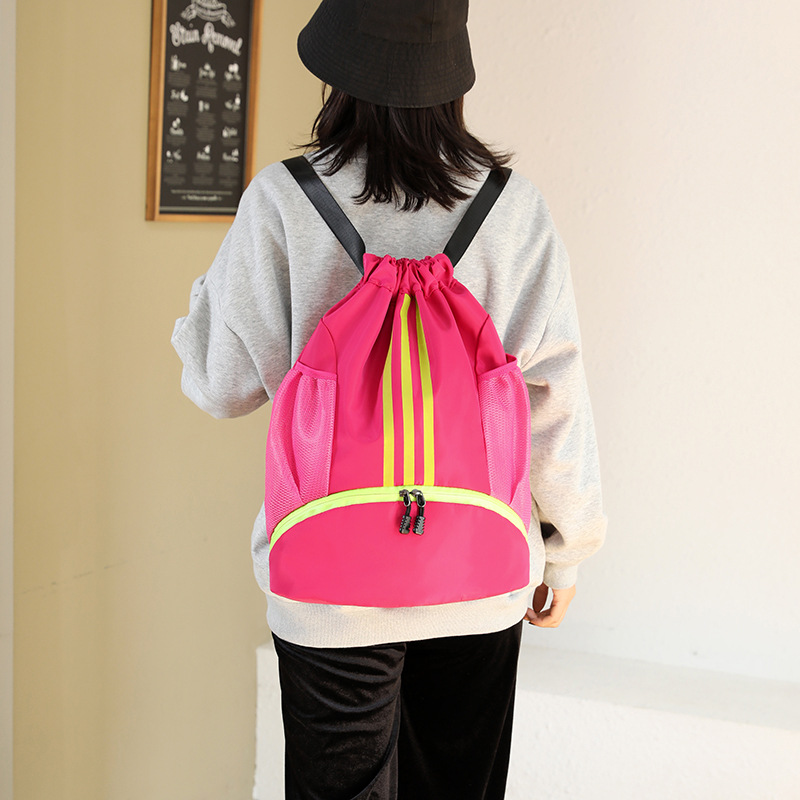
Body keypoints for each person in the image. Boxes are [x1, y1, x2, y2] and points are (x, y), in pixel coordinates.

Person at [172, 1, 607, 797]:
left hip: (328, 584)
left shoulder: (282, 202)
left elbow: (218, 382)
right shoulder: (515, 209)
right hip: (479, 572)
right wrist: (567, 550)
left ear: (339, 68)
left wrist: (217, 287)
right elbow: (556, 392)